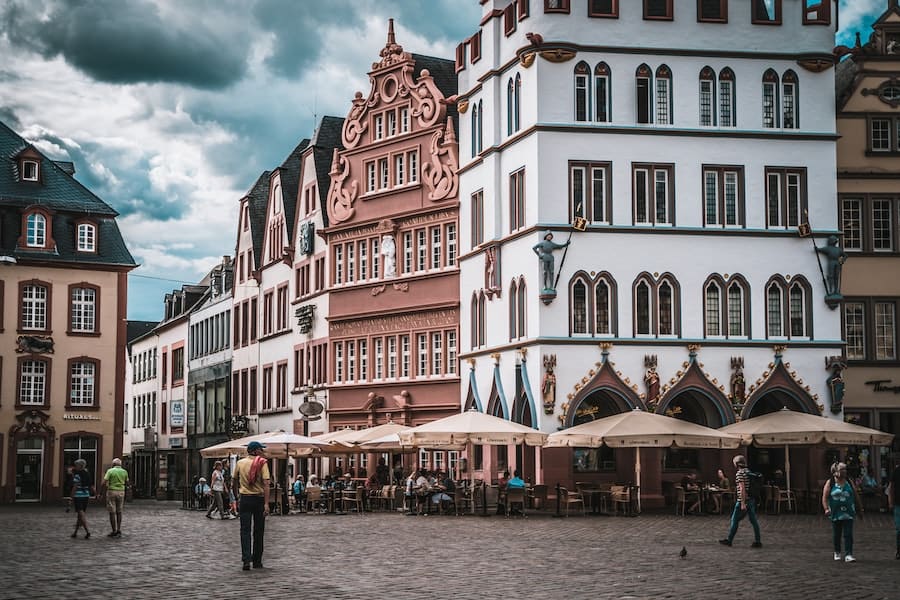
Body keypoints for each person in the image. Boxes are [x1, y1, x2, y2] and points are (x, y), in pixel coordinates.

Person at [232, 441, 270, 571]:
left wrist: (236, 496)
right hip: (259, 500)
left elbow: (234, 481)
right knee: (259, 531)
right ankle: (257, 561)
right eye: (261, 449)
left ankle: (246, 560)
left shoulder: (239, 463)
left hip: (245, 499)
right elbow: (266, 484)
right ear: (255, 451)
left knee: (245, 531)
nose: (263, 452)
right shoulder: (262, 463)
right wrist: (266, 503)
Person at [719, 455, 762, 548]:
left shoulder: (740, 473)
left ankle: (729, 540)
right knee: (753, 520)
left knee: (734, 519)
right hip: (751, 499)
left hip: (742, 500)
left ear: (737, 464)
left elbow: (742, 488)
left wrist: (742, 503)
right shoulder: (748, 471)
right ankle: (758, 541)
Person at [823, 462, 859, 562]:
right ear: (835, 472)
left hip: (848, 512)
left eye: (845, 469)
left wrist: (860, 509)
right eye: (842, 469)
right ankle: (837, 551)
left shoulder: (849, 481)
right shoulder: (830, 482)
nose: (844, 471)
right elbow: (825, 497)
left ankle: (848, 554)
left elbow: (855, 495)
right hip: (835, 513)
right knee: (837, 534)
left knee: (848, 534)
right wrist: (826, 508)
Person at [101, 458, 129, 537]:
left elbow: (104, 482)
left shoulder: (110, 471)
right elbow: (127, 482)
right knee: (119, 511)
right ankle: (119, 529)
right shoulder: (124, 471)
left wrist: (100, 492)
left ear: (113, 464)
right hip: (121, 492)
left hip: (112, 491)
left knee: (112, 512)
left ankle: (114, 530)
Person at [70, 459, 95, 539]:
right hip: (86, 495)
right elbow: (91, 485)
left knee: (81, 513)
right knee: (80, 515)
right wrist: (95, 493)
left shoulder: (77, 475)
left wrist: (71, 497)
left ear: (80, 466)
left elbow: (75, 487)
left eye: (76, 465)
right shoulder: (87, 474)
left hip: (78, 496)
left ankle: (87, 531)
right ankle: (75, 532)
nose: (75, 467)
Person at [888, 462, 900, 560]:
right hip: (898, 503)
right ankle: (899, 550)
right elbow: (891, 487)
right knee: (899, 529)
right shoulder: (896, 471)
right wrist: (890, 501)